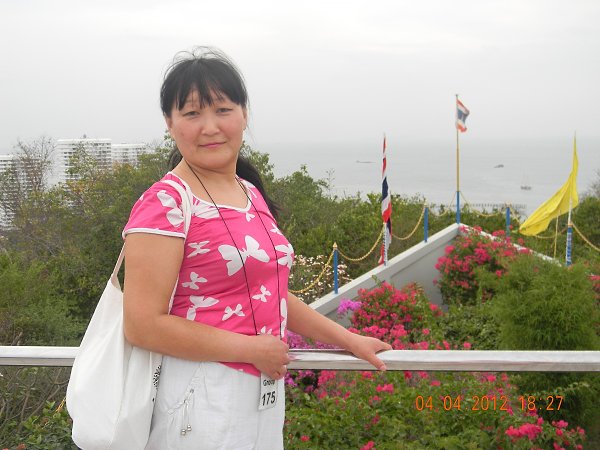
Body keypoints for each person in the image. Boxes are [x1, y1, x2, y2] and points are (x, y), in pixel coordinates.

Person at [122, 47, 392, 450]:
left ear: (244, 114)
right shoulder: (166, 203)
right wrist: (249, 348)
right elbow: (142, 324)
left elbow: (271, 294)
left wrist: (348, 339)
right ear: (170, 123)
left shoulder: (248, 192)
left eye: (223, 110)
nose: (210, 127)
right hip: (202, 391)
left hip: (261, 390)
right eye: (192, 113)